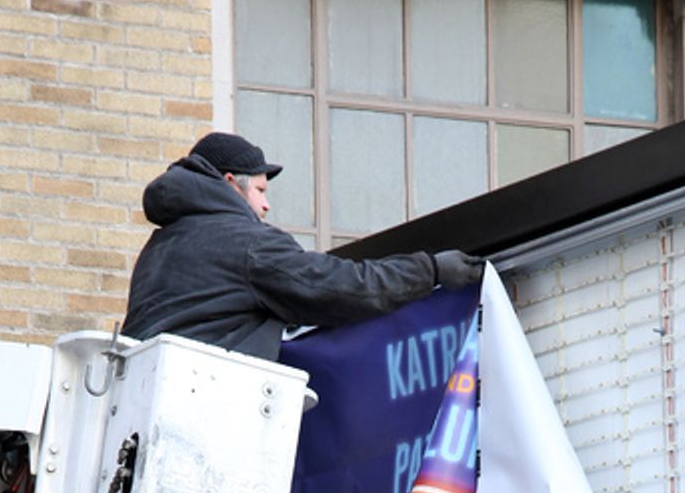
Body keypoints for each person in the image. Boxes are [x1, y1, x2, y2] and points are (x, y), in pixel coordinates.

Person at [122, 130, 483, 360]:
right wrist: (431, 270)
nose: (266, 206)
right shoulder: (247, 244)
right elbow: (338, 287)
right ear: (231, 182)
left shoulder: (156, 252)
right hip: (212, 414)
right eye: (261, 191)